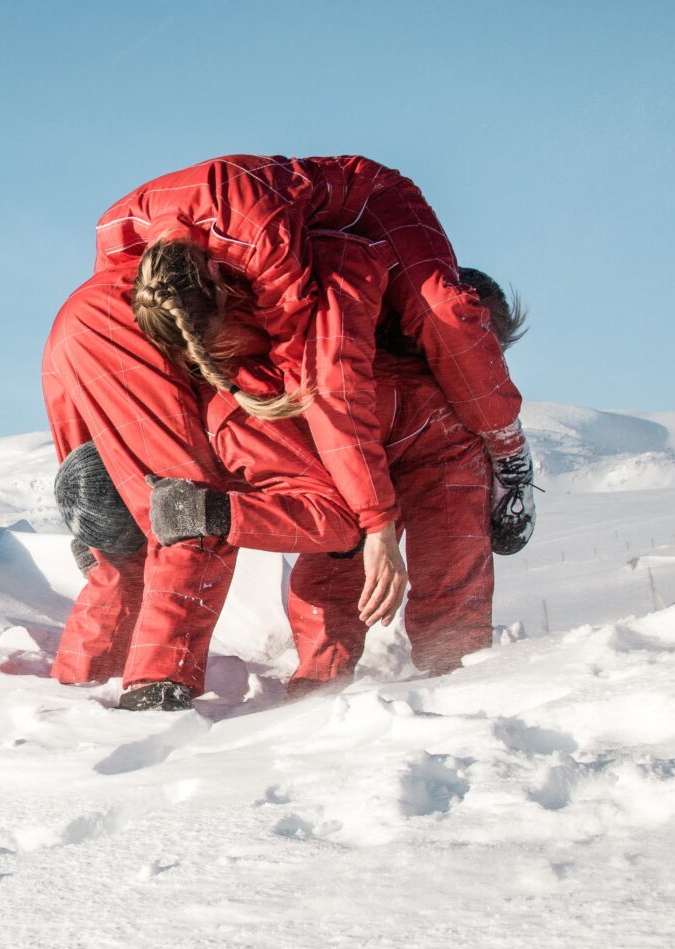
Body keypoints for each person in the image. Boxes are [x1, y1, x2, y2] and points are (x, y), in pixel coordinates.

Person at [97, 156, 538, 610]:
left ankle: (508, 447)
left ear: (221, 283)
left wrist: (375, 522)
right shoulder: (124, 237)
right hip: (283, 251)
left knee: (444, 317)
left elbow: (325, 379)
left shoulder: (268, 249)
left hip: (374, 210)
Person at [42, 234, 385, 709]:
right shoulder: (234, 416)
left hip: (85, 324)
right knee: (184, 517)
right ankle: (156, 686)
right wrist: (220, 513)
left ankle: (77, 688)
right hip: (123, 319)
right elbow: (341, 523)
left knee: (136, 543)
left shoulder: (228, 395)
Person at [286, 267, 531, 695]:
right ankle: (455, 664)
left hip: (363, 408)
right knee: (450, 546)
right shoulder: (457, 323)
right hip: (427, 421)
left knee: (346, 546)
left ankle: (323, 670)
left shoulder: (392, 289)